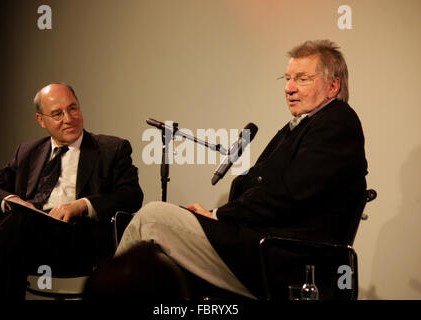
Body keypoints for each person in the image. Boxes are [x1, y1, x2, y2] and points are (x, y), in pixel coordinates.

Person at [115, 40, 368, 300]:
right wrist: (219, 213)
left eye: (302, 79)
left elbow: (288, 194)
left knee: (153, 217)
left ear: (333, 86)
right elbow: (256, 186)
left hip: (284, 258)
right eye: (287, 78)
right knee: (160, 262)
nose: (288, 88)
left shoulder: (336, 124)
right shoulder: (302, 126)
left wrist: (218, 215)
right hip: (263, 247)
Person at [0, 83, 143, 299]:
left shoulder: (112, 149)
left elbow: (131, 196)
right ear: (40, 120)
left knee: (15, 230)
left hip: (78, 238)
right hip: (29, 237)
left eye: (73, 108)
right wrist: (14, 201)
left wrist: (82, 205)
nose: (69, 118)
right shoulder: (28, 152)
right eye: (57, 114)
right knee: (17, 230)